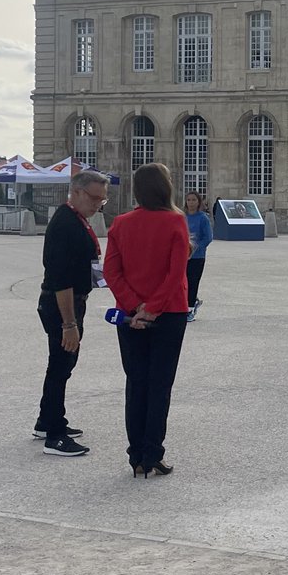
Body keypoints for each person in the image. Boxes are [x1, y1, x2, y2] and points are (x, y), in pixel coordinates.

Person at [103, 163, 190, 476]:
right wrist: (152, 308)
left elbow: (111, 271)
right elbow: (175, 273)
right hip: (169, 312)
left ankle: (137, 456)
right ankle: (153, 452)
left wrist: (135, 306)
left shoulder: (121, 223)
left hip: (130, 315)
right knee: (159, 385)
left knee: (136, 383)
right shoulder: (175, 221)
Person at [33, 169, 109, 457]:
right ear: (76, 192)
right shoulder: (65, 224)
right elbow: (60, 280)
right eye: (94, 198)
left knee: (61, 364)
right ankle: (55, 437)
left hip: (70, 302)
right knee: (61, 365)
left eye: (102, 200)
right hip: (62, 305)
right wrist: (69, 323)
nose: (98, 205)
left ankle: (47, 421)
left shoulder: (75, 218)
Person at [183, 191, 212, 322]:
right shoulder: (182, 217)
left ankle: (189, 310)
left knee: (193, 282)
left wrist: (195, 248)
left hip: (197, 256)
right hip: (182, 256)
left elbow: (208, 237)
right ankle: (192, 302)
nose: (191, 203)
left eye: (194, 200)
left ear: (199, 202)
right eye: (189, 200)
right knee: (183, 283)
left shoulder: (203, 218)